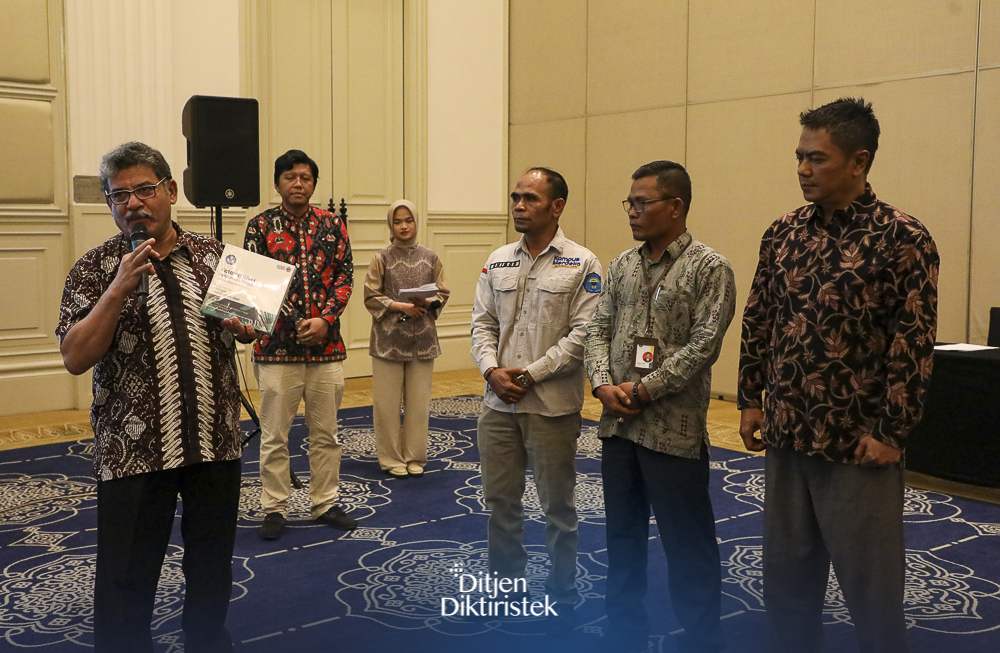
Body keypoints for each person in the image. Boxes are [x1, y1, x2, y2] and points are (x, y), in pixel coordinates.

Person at [738, 97, 939, 653]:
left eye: (817, 158)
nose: (803, 169)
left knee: (871, 593)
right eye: (799, 157)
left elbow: (913, 343)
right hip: (787, 435)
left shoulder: (904, 238)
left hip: (858, 445)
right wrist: (750, 398)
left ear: (859, 161)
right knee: (786, 582)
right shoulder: (782, 233)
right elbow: (759, 319)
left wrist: (892, 431)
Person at [57, 141, 257, 652]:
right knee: (126, 574)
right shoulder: (94, 268)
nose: (133, 204)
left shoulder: (214, 257)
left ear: (170, 191)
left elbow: (253, 325)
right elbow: (75, 356)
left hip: (213, 441)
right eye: (119, 195)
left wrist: (247, 329)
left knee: (212, 565)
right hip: (133, 451)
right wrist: (117, 289)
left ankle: (206, 641)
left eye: (144, 190)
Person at [585, 161, 736, 653]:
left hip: (673, 431)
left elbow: (704, 345)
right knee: (621, 540)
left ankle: (703, 640)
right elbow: (597, 329)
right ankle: (623, 633)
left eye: (641, 202)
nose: (632, 211)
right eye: (629, 202)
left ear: (675, 207)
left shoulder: (710, 268)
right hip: (618, 427)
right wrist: (602, 384)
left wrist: (647, 389)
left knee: (688, 545)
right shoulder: (620, 266)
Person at [471, 167, 602, 635]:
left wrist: (529, 374)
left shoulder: (583, 263)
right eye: (515, 197)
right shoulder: (498, 260)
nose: (518, 205)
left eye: (529, 198)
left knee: (557, 510)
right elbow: (482, 324)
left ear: (557, 206)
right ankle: (506, 588)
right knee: (500, 504)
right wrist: (492, 371)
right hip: (498, 406)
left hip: (551, 407)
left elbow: (584, 335)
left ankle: (562, 594)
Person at [244, 149, 357, 540]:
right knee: (275, 435)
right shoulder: (260, 226)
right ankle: (275, 507)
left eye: (305, 177)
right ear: (277, 183)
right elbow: (258, 282)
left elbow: (345, 276)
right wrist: (298, 322)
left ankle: (325, 502)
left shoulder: (333, 224)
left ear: (313, 184)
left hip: (327, 349)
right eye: (290, 177)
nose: (298, 184)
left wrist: (325, 320)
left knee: (326, 434)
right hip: (276, 350)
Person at [364, 199, 450, 477]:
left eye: (408, 220)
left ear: (416, 222)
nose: (404, 226)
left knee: (418, 404)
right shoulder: (381, 258)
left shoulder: (431, 257)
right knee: (387, 405)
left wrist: (428, 303)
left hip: (422, 339)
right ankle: (391, 459)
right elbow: (371, 296)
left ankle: (415, 457)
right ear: (390, 225)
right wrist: (401, 306)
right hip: (388, 341)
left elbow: (442, 292)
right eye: (398, 221)